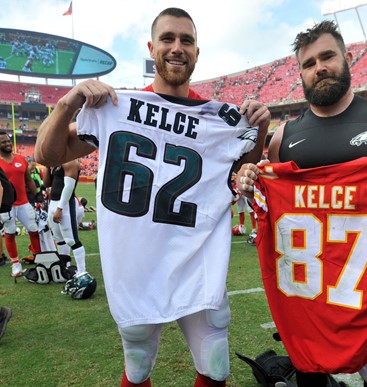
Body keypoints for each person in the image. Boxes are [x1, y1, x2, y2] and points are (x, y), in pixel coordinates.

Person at [34, 7, 270, 387]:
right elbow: (46, 156)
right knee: (139, 365)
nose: (177, 48)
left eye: (187, 40)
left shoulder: (218, 118)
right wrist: (68, 102)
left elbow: (244, 164)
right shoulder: (116, 107)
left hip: (198, 258)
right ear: (152, 47)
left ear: (197, 52)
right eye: (168, 39)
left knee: (216, 364)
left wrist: (259, 128)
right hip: (137, 260)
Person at [236, 21, 367, 387]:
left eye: (327, 56)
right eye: (308, 63)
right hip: (303, 288)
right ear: (301, 73)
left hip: (366, 287)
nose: (318, 67)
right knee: (308, 373)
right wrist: (248, 181)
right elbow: (266, 203)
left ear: (347, 58)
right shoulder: (283, 138)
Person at [0, 132, 42, 277]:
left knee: (34, 230)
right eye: (3, 142)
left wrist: (37, 195)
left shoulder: (21, 159)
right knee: (10, 234)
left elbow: (29, 180)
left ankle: (39, 260)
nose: (7, 144)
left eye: (8, 141)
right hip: (7, 206)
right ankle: (15, 265)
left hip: (24, 202)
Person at [42, 159, 87, 275]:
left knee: (72, 240)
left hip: (65, 204)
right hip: (53, 202)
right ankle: (65, 266)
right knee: (59, 239)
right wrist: (47, 167)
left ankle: (82, 271)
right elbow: (47, 184)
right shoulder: (58, 162)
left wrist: (60, 208)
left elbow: (68, 187)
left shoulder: (70, 161)